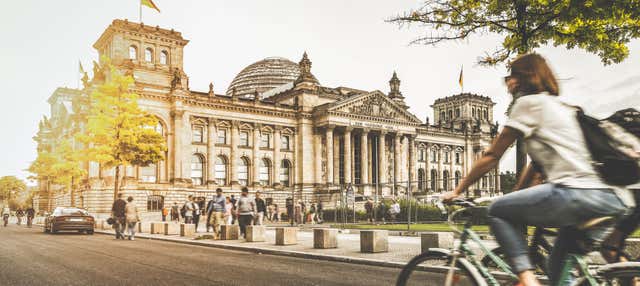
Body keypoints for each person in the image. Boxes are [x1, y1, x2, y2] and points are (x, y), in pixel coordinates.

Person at [442, 53, 633, 286]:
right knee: (557, 271)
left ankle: (527, 279)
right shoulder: (566, 107)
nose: (508, 82)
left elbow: (491, 155)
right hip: (613, 198)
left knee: (497, 211)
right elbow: (539, 164)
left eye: (512, 76)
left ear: (526, 77)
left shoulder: (526, 104)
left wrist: (458, 190)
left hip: (574, 193)